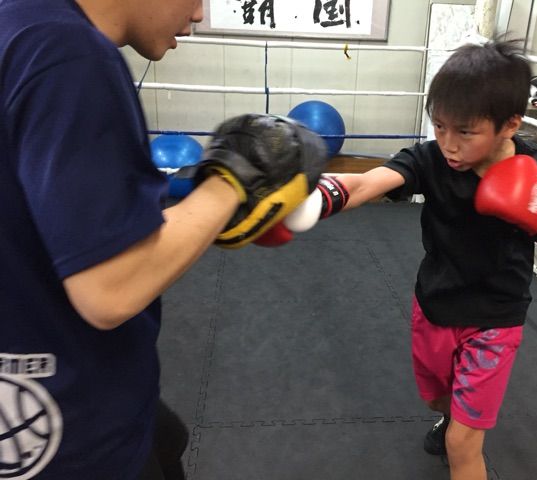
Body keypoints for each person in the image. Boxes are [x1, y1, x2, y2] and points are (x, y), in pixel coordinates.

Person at [0, 0, 327, 479]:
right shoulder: (67, 52)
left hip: (43, 367)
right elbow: (110, 289)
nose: (197, 15)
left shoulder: (17, 22)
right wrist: (235, 179)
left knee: (165, 436)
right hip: (68, 426)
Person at [281, 38, 537, 480]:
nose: (449, 144)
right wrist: (308, 196)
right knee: (436, 399)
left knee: (462, 444)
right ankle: (449, 415)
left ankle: (457, 429)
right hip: (434, 306)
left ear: (510, 124)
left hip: (496, 319)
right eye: (440, 126)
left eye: (465, 132)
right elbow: (367, 183)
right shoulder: (431, 159)